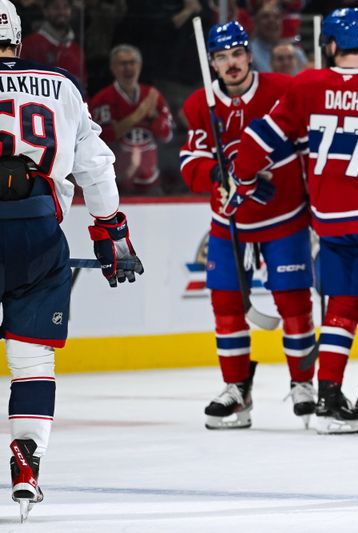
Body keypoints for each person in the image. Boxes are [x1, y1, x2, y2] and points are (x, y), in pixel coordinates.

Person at [232, 8, 358, 436]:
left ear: (332, 45)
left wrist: (246, 179)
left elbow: (254, 143)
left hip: (330, 224)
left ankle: (329, 397)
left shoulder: (306, 86)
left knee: (342, 309)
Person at [0, 0, 143, 521]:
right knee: (32, 360)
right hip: (38, 233)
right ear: (18, 38)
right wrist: (112, 236)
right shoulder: (60, 85)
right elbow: (96, 167)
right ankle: (27, 462)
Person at [179, 21, 316, 430]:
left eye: (237, 54)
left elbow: (307, 148)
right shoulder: (199, 104)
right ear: (213, 63)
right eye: (221, 57)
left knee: (294, 303)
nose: (231, 63)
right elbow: (190, 162)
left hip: (284, 217)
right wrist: (212, 174)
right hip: (229, 219)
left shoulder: (281, 92)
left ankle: (304, 384)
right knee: (225, 306)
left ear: (248, 54)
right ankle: (237, 390)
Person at [90, 44, 175, 196]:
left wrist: (154, 116)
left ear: (140, 66)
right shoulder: (102, 99)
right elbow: (100, 140)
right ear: (113, 68)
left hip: (152, 182)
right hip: (115, 183)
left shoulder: (153, 96)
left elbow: (167, 135)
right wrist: (139, 114)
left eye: (132, 62)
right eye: (123, 63)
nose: (128, 68)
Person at [20, 0, 87, 90]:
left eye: (65, 7)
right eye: (56, 7)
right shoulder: (30, 44)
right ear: (45, 11)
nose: (61, 12)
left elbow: (83, 88)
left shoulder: (77, 48)